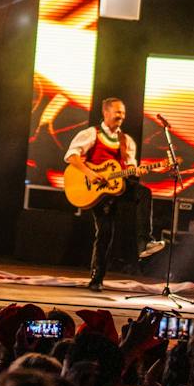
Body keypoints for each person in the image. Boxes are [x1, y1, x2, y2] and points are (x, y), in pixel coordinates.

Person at [64, 97, 150, 291]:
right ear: (106, 113)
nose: (121, 116)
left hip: (118, 187)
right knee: (105, 233)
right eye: (117, 112)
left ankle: (147, 240)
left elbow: (130, 166)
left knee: (143, 193)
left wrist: (136, 170)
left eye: (123, 113)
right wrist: (90, 173)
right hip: (97, 190)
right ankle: (96, 278)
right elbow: (71, 155)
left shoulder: (125, 140)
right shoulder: (91, 134)